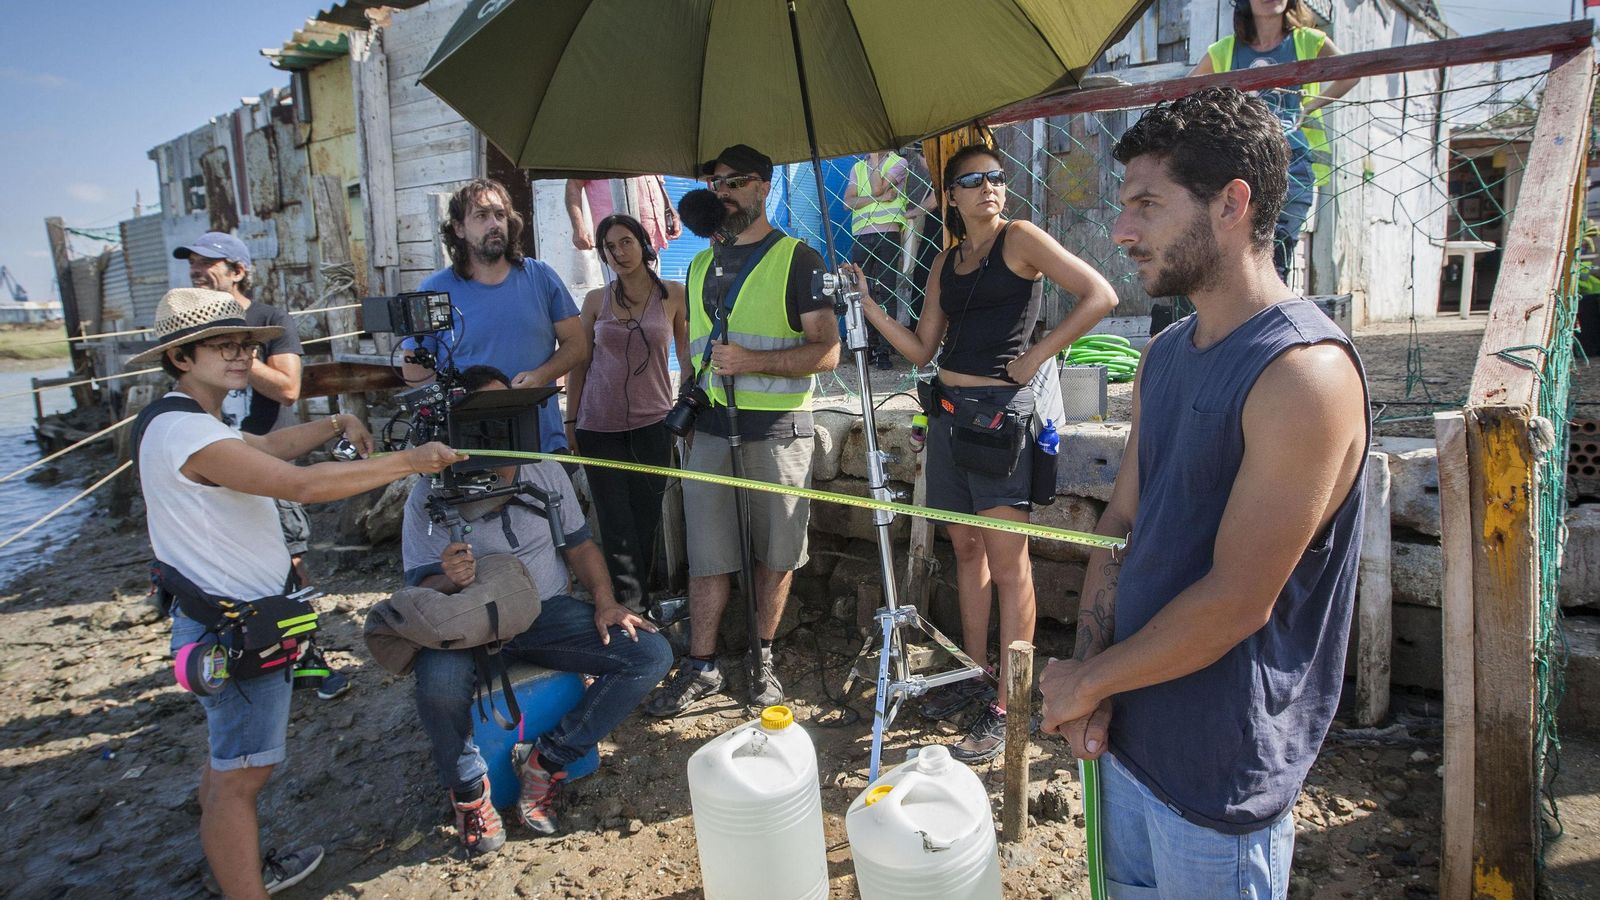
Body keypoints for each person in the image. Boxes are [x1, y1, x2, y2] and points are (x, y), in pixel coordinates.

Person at [1038, 87, 1368, 897]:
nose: (1121, 230)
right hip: (1125, 735)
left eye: (1148, 203)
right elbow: (1123, 522)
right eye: (1125, 205)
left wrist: (1087, 682)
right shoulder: (1165, 354)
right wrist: (1093, 681)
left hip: (1220, 775)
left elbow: (1235, 601)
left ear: (1233, 204)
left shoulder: (1303, 375)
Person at [133, 287, 461, 899]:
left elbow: (264, 448)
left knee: (230, 764)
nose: (239, 355)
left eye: (244, 344)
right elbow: (298, 486)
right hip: (229, 628)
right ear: (181, 357)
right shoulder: (184, 433)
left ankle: (240, 866)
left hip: (229, 622)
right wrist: (409, 461)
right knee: (242, 777)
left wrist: (337, 421)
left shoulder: (192, 422)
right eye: (222, 345)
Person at [849, 143, 1117, 763]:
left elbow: (1099, 294)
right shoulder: (946, 261)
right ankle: (973, 675)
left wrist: (1033, 358)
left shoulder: (1019, 238)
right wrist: (867, 308)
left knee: (1008, 561)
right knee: (966, 550)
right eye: (972, 180)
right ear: (951, 196)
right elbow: (921, 349)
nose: (988, 187)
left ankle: (1008, 703)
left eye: (996, 177)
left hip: (1002, 419)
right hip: (947, 416)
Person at [401, 365, 672, 851]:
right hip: (466, 619)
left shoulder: (544, 470)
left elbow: (581, 546)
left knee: (649, 654)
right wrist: (449, 577)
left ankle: (548, 759)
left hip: (545, 612)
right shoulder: (429, 487)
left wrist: (607, 603)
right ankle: (469, 794)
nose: (501, 425)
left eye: (510, 411)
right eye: (486, 415)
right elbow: (419, 581)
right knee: (438, 686)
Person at [644, 143, 839, 716]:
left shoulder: (800, 260)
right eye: (715, 183)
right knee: (708, 553)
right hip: (708, 428)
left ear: (763, 187)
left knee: (776, 553)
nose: (722, 193)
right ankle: (701, 666)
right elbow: (697, 352)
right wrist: (687, 397)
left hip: (778, 430)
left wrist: (752, 361)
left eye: (734, 182)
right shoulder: (700, 265)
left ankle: (763, 658)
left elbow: (826, 352)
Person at [173, 235, 349, 697]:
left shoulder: (268, 320)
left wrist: (234, 349)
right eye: (192, 262)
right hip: (210, 467)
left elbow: (289, 389)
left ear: (238, 270)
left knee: (289, 561)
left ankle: (306, 652)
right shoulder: (189, 338)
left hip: (264, 459)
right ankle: (244, 657)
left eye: (207, 262)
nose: (197, 269)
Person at [403, 178, 588, 454]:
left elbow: (578, 345)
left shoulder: (541, 277)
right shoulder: (434, 290)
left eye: (500, 215)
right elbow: (414, 370)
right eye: (481, 216)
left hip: (542, 443)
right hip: (470, 449)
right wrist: (459, 407)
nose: (494, 224)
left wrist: (541, 375)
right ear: (458, 228)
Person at [565, 214, 691, 612]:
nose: (618, 253)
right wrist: (571, 420)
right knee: (616, 523)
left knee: (646, 519)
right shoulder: (595, 301)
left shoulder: (673, 294)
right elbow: (579, 362)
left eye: (626, 242)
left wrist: (687, 405)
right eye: (609, 247)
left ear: (643, 243)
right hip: (597, 426)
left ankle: (640, 602)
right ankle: (632, 609)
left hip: (653, 424)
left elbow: (687, 357)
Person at [1190, 0, 1358, 280]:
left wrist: (1307, 108)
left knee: (1278, 253)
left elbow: (1351, 71)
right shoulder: (1224, 50)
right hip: (1241, 168)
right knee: (1237, 252)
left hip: (1293, 166)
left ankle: (1272, 315)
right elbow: (1187, 90)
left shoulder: (1308, 40)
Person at [844, 150, 909, 369]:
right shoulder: (857, 168)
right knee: (863, 291)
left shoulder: (898, 162)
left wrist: (874, 162)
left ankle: (884, 350)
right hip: (861, 234)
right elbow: (848, 202)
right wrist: (878, 199)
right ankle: (868, 346)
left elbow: (877, 186)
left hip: (887, 232)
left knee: (886, 290)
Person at [565, 176, 680, 254]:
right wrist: (578, 227)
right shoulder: (594, 145)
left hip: (651, 240)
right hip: (616, 244)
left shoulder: (647, 145)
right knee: (621, 289)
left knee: (652, 289)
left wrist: (670, 211)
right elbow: (574, 183)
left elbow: (657, 181)